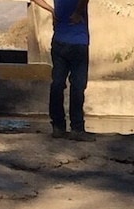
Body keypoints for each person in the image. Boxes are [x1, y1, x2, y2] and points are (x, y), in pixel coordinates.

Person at [44, 0, 93, 141]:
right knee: (77, 85)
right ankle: (77, 128)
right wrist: (78, 12)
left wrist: (51, 10)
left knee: (58, 84)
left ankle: (58, 127)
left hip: (59, 41)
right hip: (78, 41)